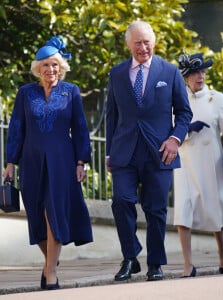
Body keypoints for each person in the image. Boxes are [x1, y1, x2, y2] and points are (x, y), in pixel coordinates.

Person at [2, 35, 93, 290]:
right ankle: (49, 260)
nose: (51, 70)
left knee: (55, 212)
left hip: (62, 160)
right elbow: (16, 128)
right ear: (37, 69)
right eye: (46, 65)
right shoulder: (25, 93)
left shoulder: (71, 91)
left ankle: (51, 271)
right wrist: (10, 162)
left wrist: (81, 161)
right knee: (36, 215)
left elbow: (81, 128)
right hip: (31, 161)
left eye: (55, 65)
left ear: (61, 68)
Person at [105, 20, 192, 282]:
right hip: (125, 152)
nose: (143, 47)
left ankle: (155, 263)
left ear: (153, 42)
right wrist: (109, 151)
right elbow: (112, 115)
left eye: (147, 42)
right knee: (121, 201)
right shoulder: (117, 73)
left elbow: (185, 113)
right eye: (137, 43)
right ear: (129, 45)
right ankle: (130, 257)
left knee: (155, 210)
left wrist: (175, 139)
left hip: (159, 152)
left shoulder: (170, 72)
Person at [174, 53, 223, 277]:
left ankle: (222, 250)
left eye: (202, 71)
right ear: (186, 77)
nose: (199, 76)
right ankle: (187, 263)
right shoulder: (178, 99)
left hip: (210, 160)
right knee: (183, 210)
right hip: (184, 159)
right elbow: (170, 130)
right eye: (194, 73)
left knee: (213, 208)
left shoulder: (217, 98)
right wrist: (187, 128)